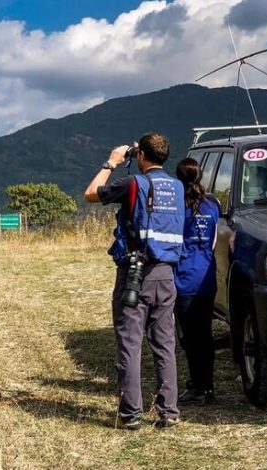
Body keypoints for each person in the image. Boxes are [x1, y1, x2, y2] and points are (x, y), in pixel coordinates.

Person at [84, 132, 185, 430]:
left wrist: (111, 162)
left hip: (135, 273)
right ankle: (168, 412)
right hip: (166, 273)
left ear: (140, 155)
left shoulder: (133, 183)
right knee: (164, 343)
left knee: (130, 343)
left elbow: (91, 194)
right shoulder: (177, 186)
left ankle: (131, 414)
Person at [173, 158, 220, 406]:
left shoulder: (178, 207)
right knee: (205, 334)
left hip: (183, 278)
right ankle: (208, 386)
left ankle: (196, 386)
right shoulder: (212, 204)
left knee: (189, 338)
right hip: (207, 276)